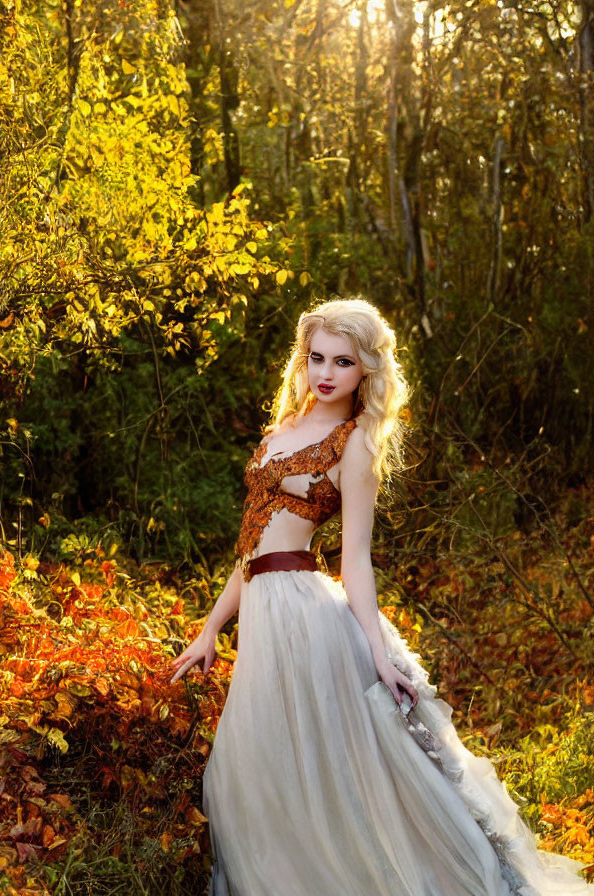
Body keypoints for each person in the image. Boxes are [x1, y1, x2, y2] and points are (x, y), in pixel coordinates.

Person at [169, 297, 593, 895]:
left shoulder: (355, 445)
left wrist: (375, 648)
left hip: (307, 617)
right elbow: (250, 551)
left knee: (335, 772)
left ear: (366, 369)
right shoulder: (279, 433)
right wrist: (211, 629)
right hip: (263, 616)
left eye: (343, 362)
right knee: (247, 774)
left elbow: (355, 559)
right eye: (317, 357)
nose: (325, 373)